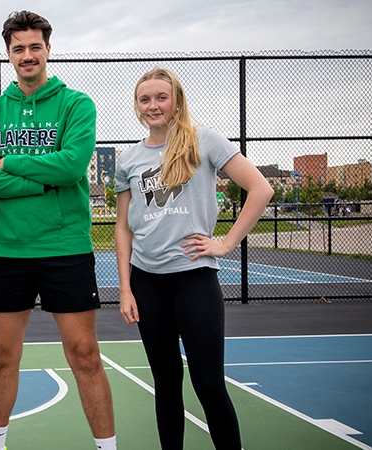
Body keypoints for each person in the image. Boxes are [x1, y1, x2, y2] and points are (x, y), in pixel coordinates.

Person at [0, 11, 117, 450]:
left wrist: (9, 163)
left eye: (35, 47)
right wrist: (46, 178)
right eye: (19, 49)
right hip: (7, 248)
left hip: (64, 244)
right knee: (1, 358)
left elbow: (72, 166)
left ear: (48, 49)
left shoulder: (76, 104)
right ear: (9, 54)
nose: (27, 56)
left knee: (85, 355)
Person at [115, 67, 273, 450]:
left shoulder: (205, 141)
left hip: (193, 278)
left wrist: (226, 242)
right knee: (166, 384)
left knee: (207, 384)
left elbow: (261, 188)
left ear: (177, 101)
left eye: (161, 97)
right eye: (145, 99)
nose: (153, 105)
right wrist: (125, 288)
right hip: (146, 282)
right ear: (137, 106)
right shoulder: (129, 158)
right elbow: (123, 227)